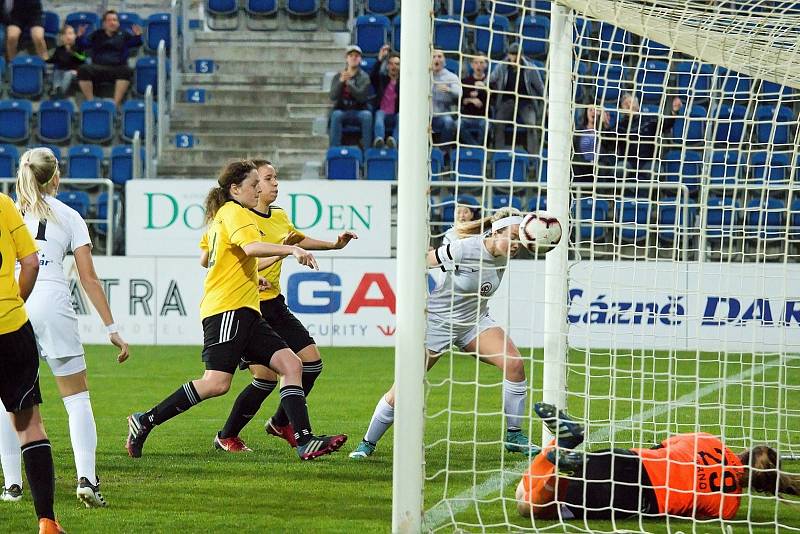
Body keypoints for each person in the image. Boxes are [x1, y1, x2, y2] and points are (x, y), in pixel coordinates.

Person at [126, 160, 347, 461]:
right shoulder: (234, 212)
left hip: (247, 310)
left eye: (262, 183)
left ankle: (304, 439)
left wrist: (255, 275)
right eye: (255, 183)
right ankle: (146, 420)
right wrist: (292, 249)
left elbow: (231, 258)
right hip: (227, 309)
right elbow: (251, 248)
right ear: (235, 188)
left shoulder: (231, 214)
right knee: (216, 383)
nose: (260, 189)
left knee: (292, 365)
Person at [350, 208, 540, 459]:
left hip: (475, 322)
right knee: (404, 386)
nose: (516, 245)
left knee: (515, 365)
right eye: (513, 236)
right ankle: (367, 443)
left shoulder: (505, 252)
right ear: (495, 231)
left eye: (520, 239)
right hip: (439, 323)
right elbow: (421, 263)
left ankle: (514, 436)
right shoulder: (465, 249)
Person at [0, 147, 129, 510]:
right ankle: (86, 478)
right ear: (56, 177)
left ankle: (12, 486)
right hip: (53, 301)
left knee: (8, 401)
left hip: (14, 302)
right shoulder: (70, 215)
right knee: (76, 398)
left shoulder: (7, 209)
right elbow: (89, 278)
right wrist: (112, 327)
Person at [213, 159, 358, 452]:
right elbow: (233, 259)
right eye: (268, 178)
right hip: (248, 306)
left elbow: (296, 238)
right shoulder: (238, 217)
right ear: (250, 185)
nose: (274, 183)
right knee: (265, 378)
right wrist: (282, 257)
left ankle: (281, 422)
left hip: (274, 304)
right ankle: (228, 435)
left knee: (311, 363)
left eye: (274, 178)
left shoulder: (278, 216)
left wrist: (334, 245)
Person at [517, 403, 800, 520]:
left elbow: (663, 446)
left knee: (523, 492)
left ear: (745, 454)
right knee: (530, 507)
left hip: (630, 459)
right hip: (639, 496)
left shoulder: (711, 441)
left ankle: (564, 444)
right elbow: (686, 513)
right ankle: (562, 459)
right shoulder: (729, 506)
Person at [0, 178, 64, 532]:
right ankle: (47, 522)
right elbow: (31, 262)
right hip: (10, 328)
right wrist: (13, 304)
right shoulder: (4, 204)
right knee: (29, 426)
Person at [76, 10, 143, 107]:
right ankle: (90, 102)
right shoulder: (96, 34)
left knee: (126, 70)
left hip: (117, 68)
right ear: (104, 23)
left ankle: (115, 104)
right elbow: (84, 45)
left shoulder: (124, 34)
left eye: (115, 20)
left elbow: (135, 43)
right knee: (83, 69)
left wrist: (138, 36)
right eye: (109, 20)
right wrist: (80, 37)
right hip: (98, 67)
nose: (112, 23)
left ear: (118, 23)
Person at [490, 42, 545, 154]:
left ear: (521, 55)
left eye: (516, 54)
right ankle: (499, 153)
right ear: (508, 55)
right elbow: (492, 78)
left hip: (525, 102)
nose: (514, 57)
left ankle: (533, 155)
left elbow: (540, 87)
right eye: (512, 54)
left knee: (531, 126)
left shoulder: (530, 68)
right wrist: (483, 84)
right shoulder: (501, 66)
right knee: (498, 124)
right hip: (507, 101)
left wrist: (547, 102)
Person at [616, 94, 682, 175]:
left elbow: (666, 124)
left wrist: (674, 112)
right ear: (622, 108)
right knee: (619, 170)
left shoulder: (650, 120)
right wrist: (606, 126)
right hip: (628, 162)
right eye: (625, 104)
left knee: (656, 171)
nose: (629, 106)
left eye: (631, 102)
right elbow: (609, 143)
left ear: (637, 105)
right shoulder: (619, 126)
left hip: (648, 161)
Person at [329, 45, 373, 149]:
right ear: (347, 58)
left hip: (359, 110)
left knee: (367, 116)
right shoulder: (338, 76)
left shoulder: (365, 77)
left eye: (356, 56)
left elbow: (362, 97)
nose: (354, 58)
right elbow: (332, 96)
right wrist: (340, 82)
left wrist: (349, 84)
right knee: (336, 115)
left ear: (360, 59)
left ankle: (367, 150)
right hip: (343, 110)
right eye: (351, 55)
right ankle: (335, 150)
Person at [572, 106, 617, 183]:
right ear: (586, 113)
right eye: (591, 110)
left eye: (596, 110)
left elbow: (611, 146)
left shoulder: (604, 131)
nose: (593, 112)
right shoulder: (579, 131)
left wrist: (605, 125)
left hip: (599, 165)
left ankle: (600, 194)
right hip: (582, 165)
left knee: (600, 169)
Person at [370, 45, 400, 149]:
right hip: (382, 112)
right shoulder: (382, 79)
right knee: (379, 114)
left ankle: (394, 142)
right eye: (391, 64)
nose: (393, 67)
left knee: (401, 117)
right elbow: (372, 76)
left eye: (397, 64)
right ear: (387, 66)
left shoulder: (404, 83)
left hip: (396, 113)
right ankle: (379, 141)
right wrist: (380, 59)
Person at [431, 49, 461, 146]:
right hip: (424, 115)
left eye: (439, 56)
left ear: (444, 60)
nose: (437, 59)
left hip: (442, 115)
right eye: (434, 56)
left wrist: (449, 89)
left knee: (448, 122)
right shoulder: (423, 75)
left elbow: (460, 93)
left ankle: (444, 150)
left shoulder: (451, 76)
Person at [46, 25, 86, 98]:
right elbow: (53, 60)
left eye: (71, 33)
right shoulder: (59, 49)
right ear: (62, 37)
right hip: (62, 71)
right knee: (57, 71)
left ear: (75, 36)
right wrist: (45, 58)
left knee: (68, 73)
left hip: (75, 72)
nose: (68, 36)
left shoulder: (78, 47)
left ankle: (61, 92)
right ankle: (55, 89)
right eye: (65, 34)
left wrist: (72, 52)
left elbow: (82, 59)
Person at [460, 56, 489, 146]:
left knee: (485, 125)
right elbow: (461, 101)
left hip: (483, 117)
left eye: (481, 63)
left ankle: (478, 148)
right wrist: (471, 100)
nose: (478, 65)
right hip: (467, 117)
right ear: (472, 65)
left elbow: (494, 99)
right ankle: (475, 147)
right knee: (457, 125)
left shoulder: (490, 82)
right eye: (476, 63)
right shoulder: (465, 81)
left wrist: (484, 88)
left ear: (486, 65)